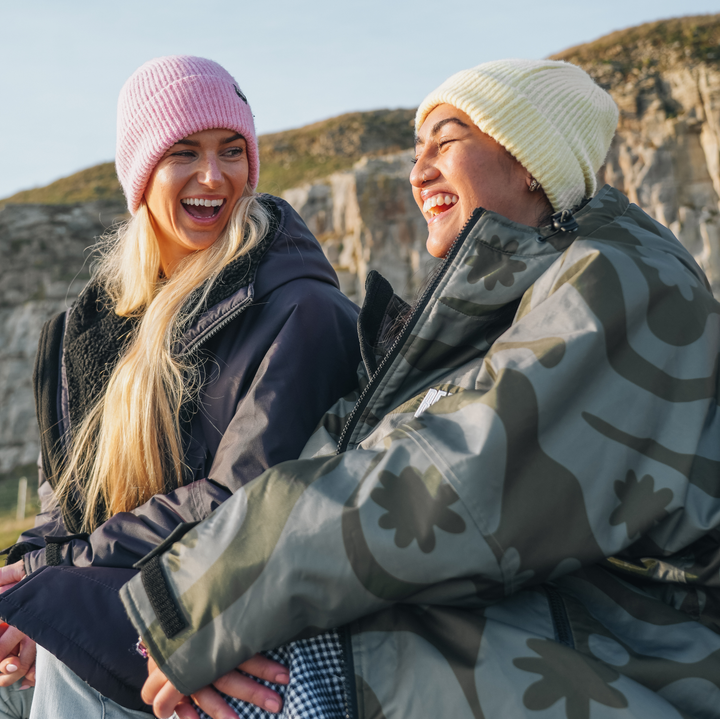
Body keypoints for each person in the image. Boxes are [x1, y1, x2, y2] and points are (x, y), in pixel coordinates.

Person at [120, 56, 720, 719]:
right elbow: (357, 454)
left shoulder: (621, 280)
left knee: (304, 661)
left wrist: (201, 603)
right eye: (416, 151)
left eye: (447, 141)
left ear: (528, 161)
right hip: (586, 635)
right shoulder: (508, 310)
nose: (419, 171)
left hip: (666, 662)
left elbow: (449, 483)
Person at [0, 55, 361, 718]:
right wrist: (26, 591)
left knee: (62, 662)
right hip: (111, 593)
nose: (213, 176)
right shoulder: (83, 334)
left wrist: (55, 581)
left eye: (232, 151)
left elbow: (244, 501)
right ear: (139, 174)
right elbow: (65, 506)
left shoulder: (302, 312)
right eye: (184, 152)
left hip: (212, 609)